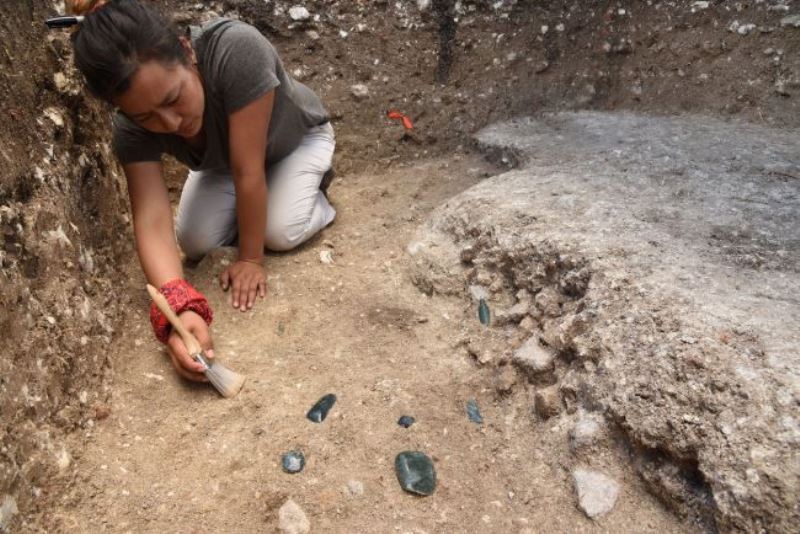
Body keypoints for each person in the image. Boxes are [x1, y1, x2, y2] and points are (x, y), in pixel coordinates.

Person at [64, 0, 336, 382]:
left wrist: (251, 259)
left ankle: (316, 198)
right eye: (146, 118)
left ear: (187, 50)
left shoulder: (236, 50)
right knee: (194, 241)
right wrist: (179, 308)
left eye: (173, 99)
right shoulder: (129, 127)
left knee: (279, 232)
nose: (172, 123)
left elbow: (248, 170)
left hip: (295, 142)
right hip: (227, 164)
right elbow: (152, 218)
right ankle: (264, 208)